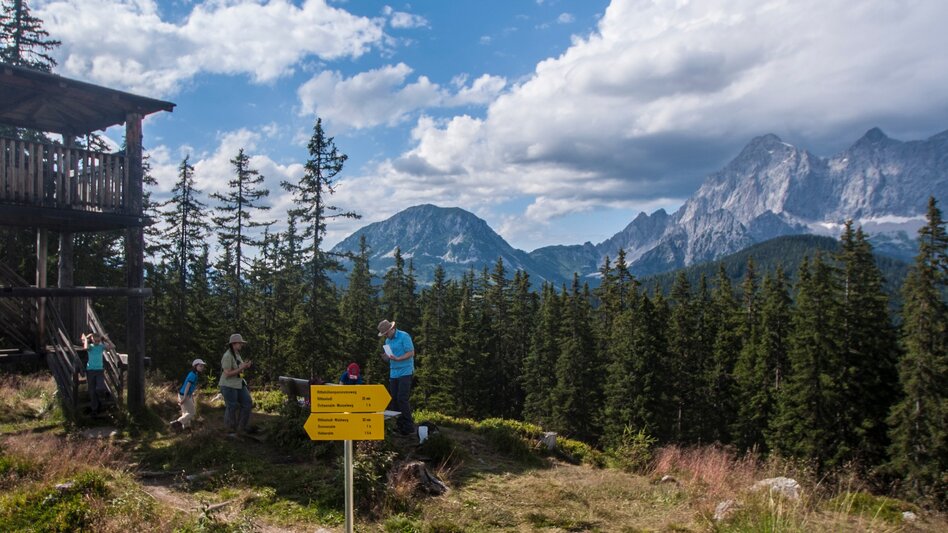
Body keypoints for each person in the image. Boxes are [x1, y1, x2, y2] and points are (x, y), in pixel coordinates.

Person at [378, 319, 415, 435]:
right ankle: (399, 425)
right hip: (393, 372)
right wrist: (385, 357)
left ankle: (408, 426)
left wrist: (399, 358)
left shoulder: (404, 336)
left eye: (386, 333)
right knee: (394, 399)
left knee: (402, 398)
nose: (385, 336)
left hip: (405, 371)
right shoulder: (388, 341)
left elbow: (411, 352)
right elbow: (390, 358)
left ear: (392, 329)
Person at [220, 333, 253, 435]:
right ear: (234, 344)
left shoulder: (237, 354)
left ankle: (241, 428)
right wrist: (242, 368)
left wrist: (245, 366)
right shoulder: (227, 356)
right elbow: (227, 373)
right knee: (232, 407)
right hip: (228, 385)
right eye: (240, 343)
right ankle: (230, 431)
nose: (241, 345)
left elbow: (239, 367)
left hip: (239, 384)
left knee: (247, 403)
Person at [171, 359, 206, 433]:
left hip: (184, 394)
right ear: (195, 366)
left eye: (202, 366)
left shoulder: (194, 374)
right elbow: (187, 386)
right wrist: (184, 398)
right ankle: (177, 423)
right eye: (200, 366)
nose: (202, 367)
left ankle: (186, 429)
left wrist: (191, 397)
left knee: (185, 413)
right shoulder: (193, 375)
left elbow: (190, 388)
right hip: (184, 395)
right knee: (192, 412)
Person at [81, 332, 112, 416]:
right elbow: (85, 348)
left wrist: (106, 340)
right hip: (90, 370)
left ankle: (103, 396)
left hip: (99, 370)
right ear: (92, 340)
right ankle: (94, 408)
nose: (97, 342)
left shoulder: (101, 347)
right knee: (92, 390)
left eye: (98, 341)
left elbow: (112, 347)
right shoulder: (90, 347)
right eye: (96, 340)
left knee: (100, 387)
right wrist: (86, 340)